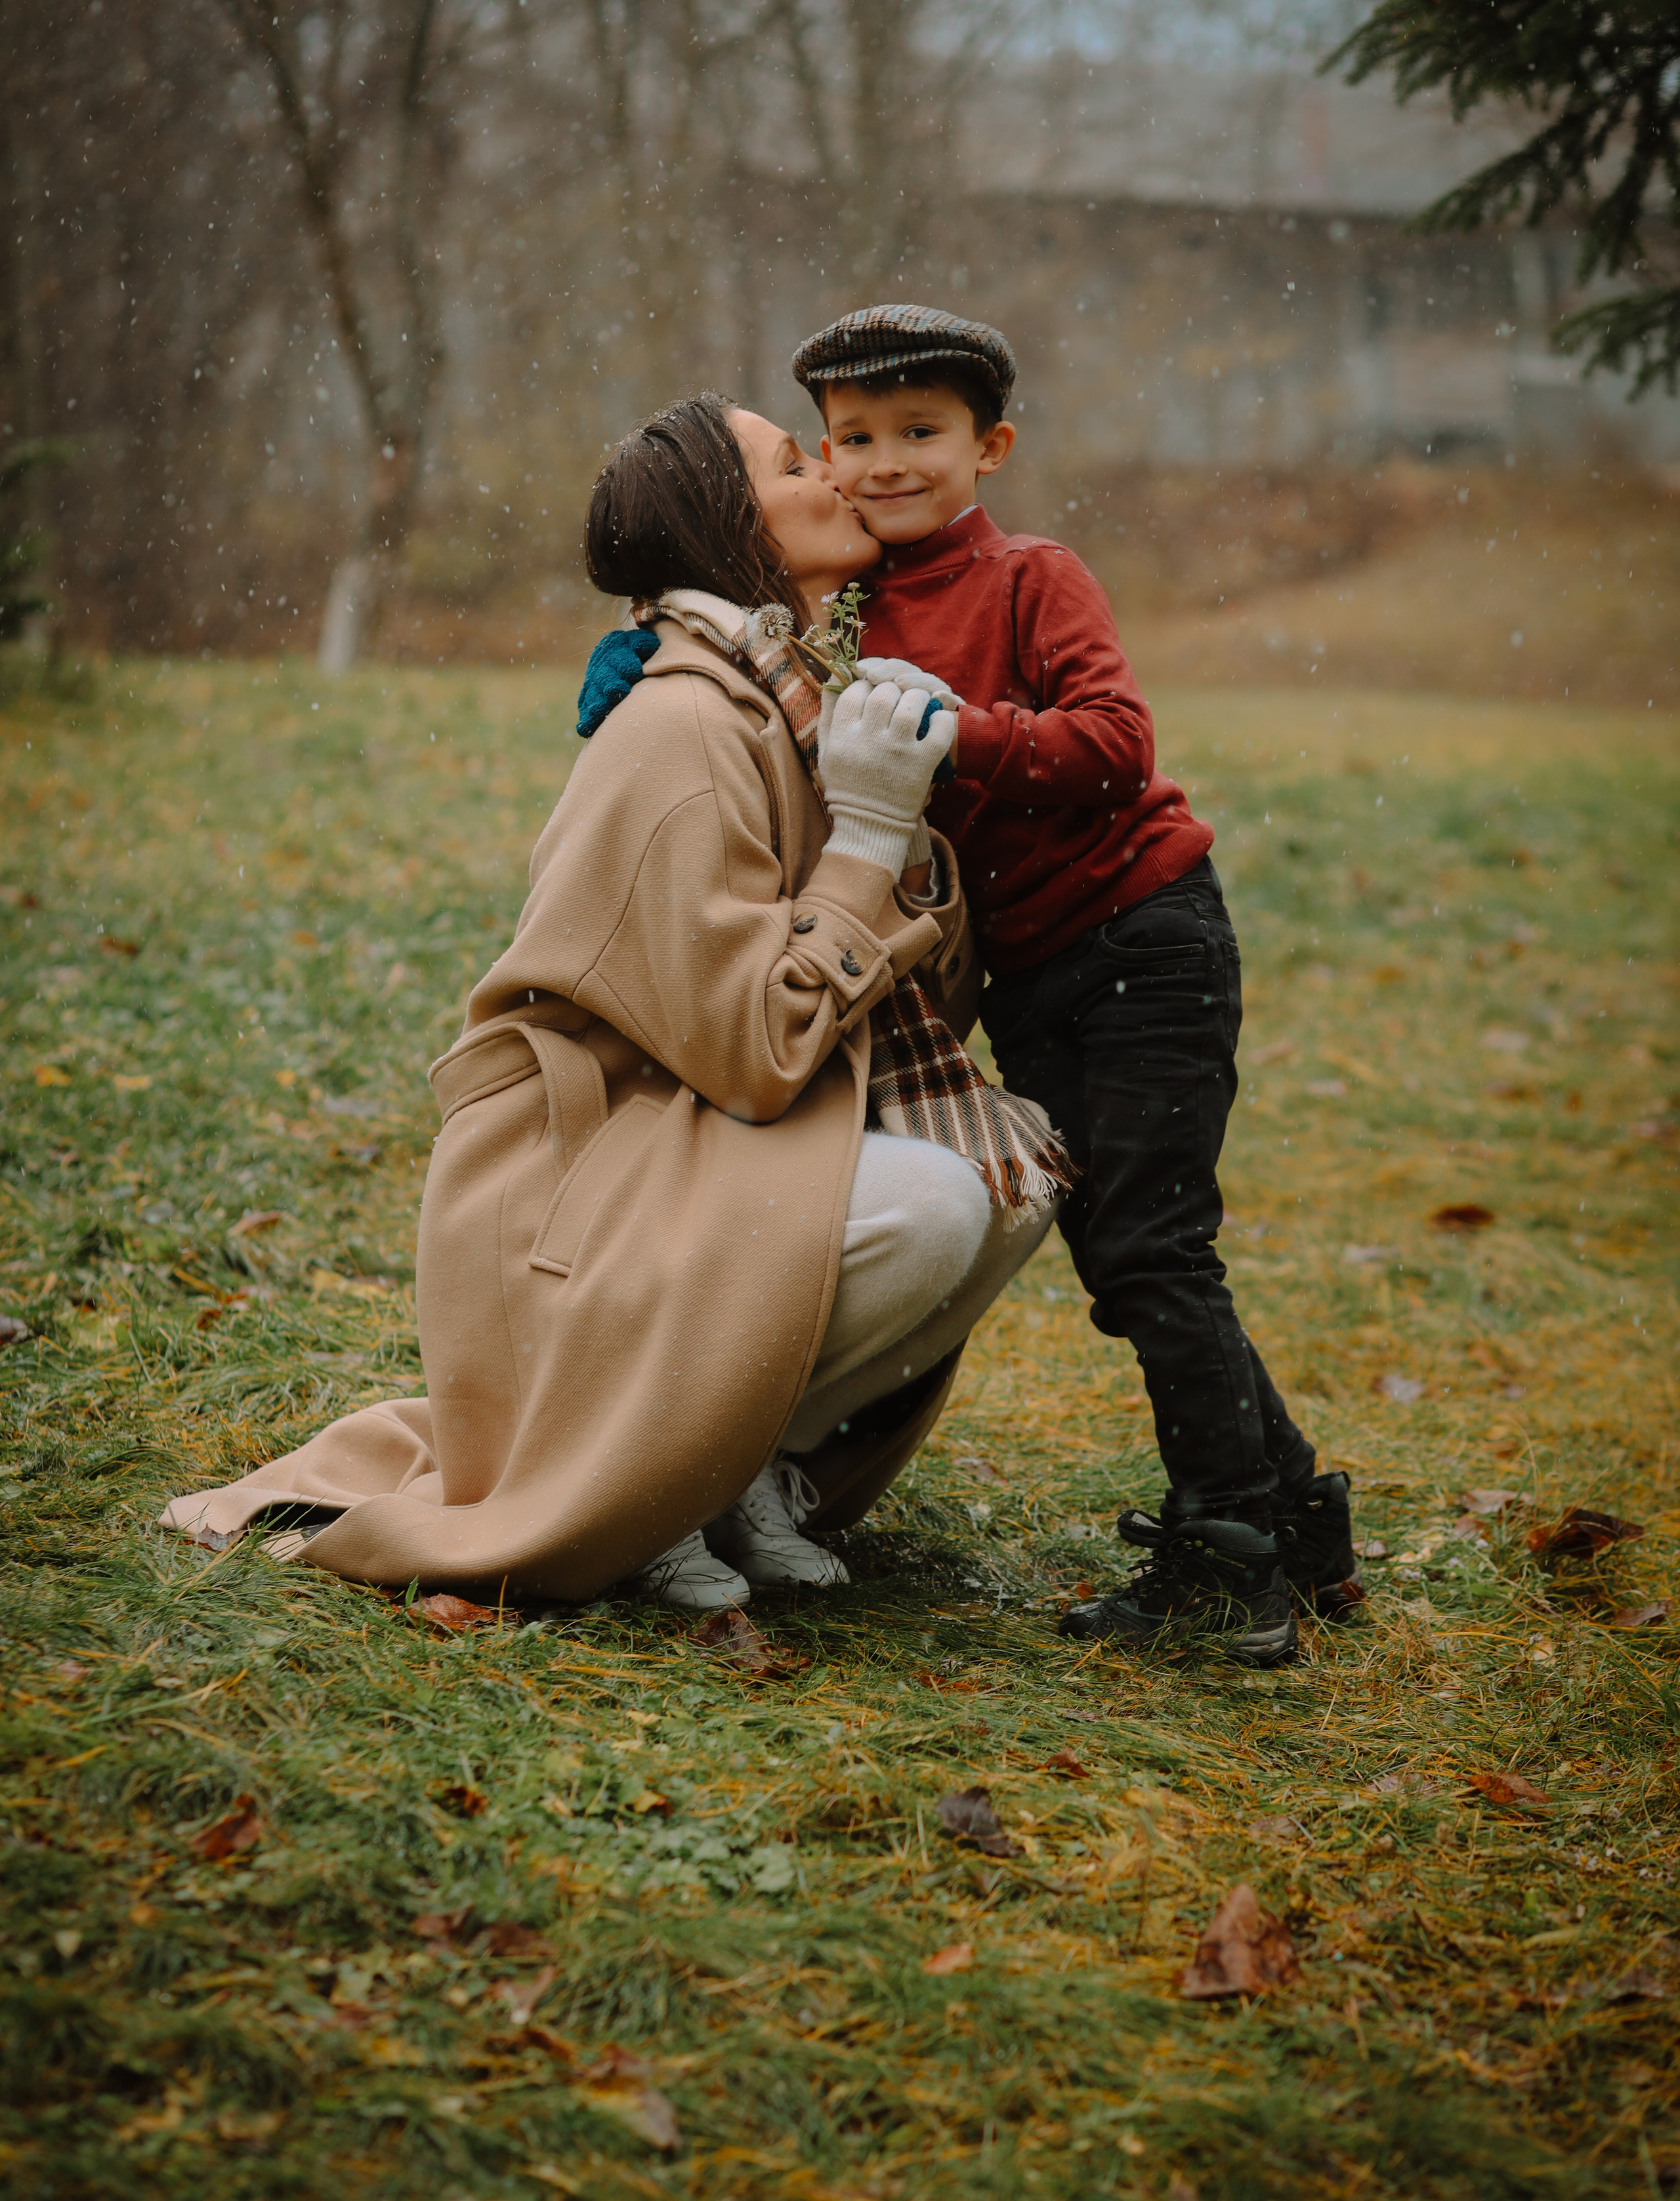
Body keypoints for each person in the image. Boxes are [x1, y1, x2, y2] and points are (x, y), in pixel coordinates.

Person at [159, 392, 1062, 1611]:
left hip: (703, 1133)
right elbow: (759, 1051)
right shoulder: (683, 725)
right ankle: (655, 1487)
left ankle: (748, 1468)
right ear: (730, 524)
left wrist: (897, 830)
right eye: (794, 464)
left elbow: (922, 1015)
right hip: (588, 1168)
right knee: (942, 1201)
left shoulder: (795, 699)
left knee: (1011, 1175)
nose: (838, 475)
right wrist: (865, 836)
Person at [580, 309, 1359, 1669]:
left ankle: (1228, 1557)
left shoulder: (1030, 577)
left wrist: (954, 735)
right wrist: (639, 647)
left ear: (988, 447)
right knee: (1121, 1251)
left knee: (1153, 1252)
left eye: (921, 433)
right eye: (851, 440)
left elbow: (1115, 743)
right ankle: (1298, 1521)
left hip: (1145, 932)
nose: (883, 465)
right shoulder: (846, 603)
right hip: (1033, 970)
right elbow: (758, 659)